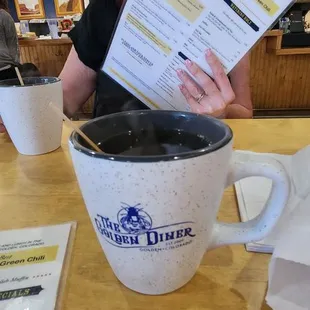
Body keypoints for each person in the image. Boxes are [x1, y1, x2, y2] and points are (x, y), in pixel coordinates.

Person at [0, 0, 252, 133]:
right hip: (110, 151)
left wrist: (222, 113)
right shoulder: (103, 10)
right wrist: (20, 115)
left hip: (195, 151)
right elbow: (64, 100)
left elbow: (244, 111)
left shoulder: (228, 20)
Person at [0, 0, 20, 80]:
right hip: (6, 68)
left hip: (5, 68)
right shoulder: (4, 15)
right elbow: (13, 45)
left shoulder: (3, 16)